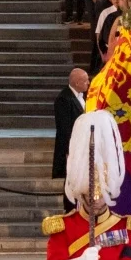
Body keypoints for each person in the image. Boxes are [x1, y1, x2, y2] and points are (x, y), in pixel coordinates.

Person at [43, 110, 131, 260]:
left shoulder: (124, 227)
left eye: (101, 195)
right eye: (90, 195)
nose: (96, 200)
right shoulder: (63, 226)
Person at [52, 68, 89, 212]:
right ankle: (70, 211)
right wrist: (71, 151)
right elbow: (65, 129)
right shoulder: (63, 99)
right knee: (71, 181)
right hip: (72, 151)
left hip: (83, 149)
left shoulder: (84, 97)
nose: (88, 83)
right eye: (85, 80)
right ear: (77, 82)